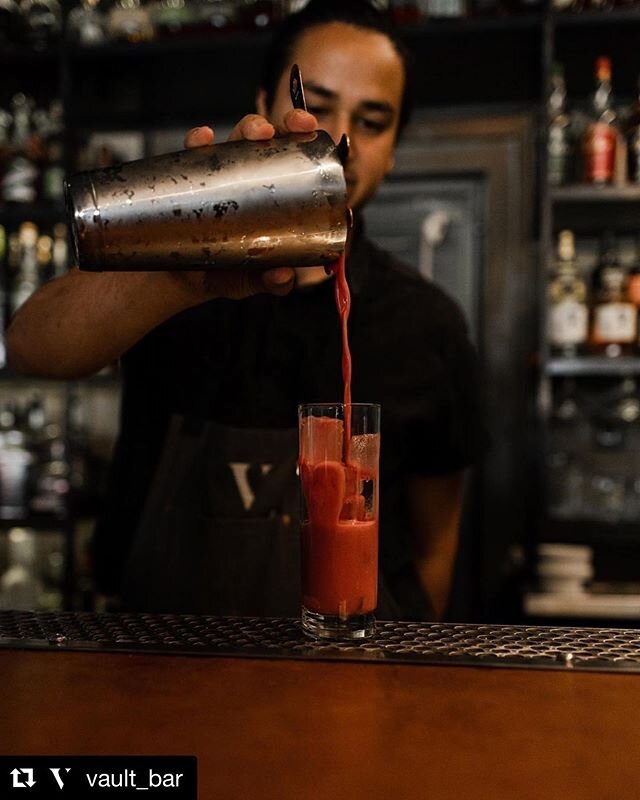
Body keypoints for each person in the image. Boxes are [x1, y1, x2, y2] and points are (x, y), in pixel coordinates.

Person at [6, 0, 485, 620]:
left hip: (350, 685)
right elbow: (31, 346)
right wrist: (182, 278)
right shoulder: (174, 269)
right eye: (319, 101)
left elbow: (435, 549)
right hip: (159, 676)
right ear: (266, 105)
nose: (342, 139)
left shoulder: (429, 324)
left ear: (392, 149)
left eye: (372, 120)